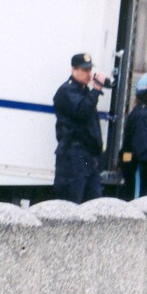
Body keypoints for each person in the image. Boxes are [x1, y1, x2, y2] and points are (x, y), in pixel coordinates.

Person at [52, 52, 107, 203]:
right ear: (73, 70)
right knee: (72, 202)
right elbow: (82, 112)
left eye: (89, 70)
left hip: (88, 156)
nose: (88, 74)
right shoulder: (66, 91)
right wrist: (96, 90)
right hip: (73, 156)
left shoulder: (85, 93)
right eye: (84, 70)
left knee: (94, 202)